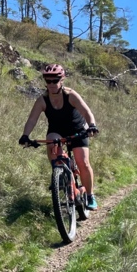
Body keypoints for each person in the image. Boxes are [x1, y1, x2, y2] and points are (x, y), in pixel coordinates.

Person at [19, 64, 100, 209]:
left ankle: (89, 195)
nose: (51, 84)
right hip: (57, 129)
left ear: (62, 79)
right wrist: (25, 135)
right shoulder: (42, 100)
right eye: (47, 80)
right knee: (51, 145)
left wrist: (92, 125)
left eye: (55, 80)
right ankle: (58, 174)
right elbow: (32, 119)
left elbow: (87, 112)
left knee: (83, 162)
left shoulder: (70, 95)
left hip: (77, 129)